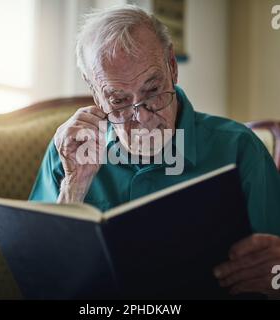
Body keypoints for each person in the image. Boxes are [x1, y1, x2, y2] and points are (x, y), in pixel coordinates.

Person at [29, 5, 280, 297]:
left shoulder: (239, 149)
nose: (143, 118)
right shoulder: (70, 154)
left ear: (172, 66)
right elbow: (38, 281)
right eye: (119, 101)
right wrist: (74, 188)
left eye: (152, 91)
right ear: (95, 93)